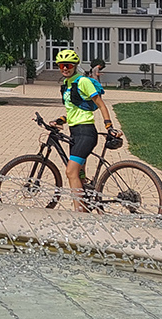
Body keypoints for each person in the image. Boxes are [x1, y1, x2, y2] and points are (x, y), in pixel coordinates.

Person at [52, 49, 121, 211]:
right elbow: (74, 110)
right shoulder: (67, 85)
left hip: (86, 133)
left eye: (68, 65)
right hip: (75, 133)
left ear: (75, 65)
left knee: (71, 172)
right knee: (79, 175)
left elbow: (101, 105)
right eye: (61, 65)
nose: (65, 68)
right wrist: (60, 120)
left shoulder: (83, 81)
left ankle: (79, 214)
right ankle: (85, 207)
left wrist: (109, 126)